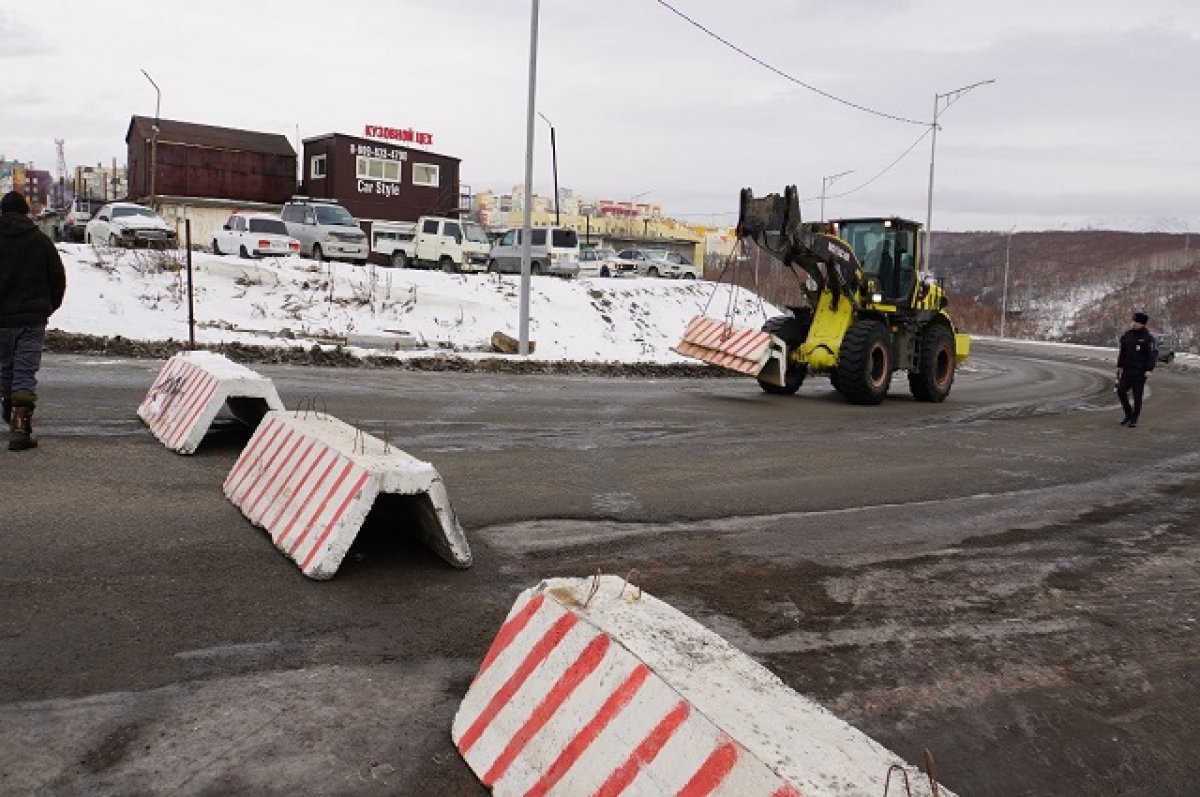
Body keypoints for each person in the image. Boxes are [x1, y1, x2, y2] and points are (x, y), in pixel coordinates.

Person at [0, 190, 67, 451]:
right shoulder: (41, 242)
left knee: (5, 367)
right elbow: (57, 279)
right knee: (24, 372)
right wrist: (48, 309)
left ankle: (10, 411)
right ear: (26, 212)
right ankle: (20, 428)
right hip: (31, 319)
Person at [1116, 310, 1156, 429]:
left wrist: (1149, 369)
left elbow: (1152, 355)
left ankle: (1134, 419)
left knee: (1137, 396)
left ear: (1142, 324)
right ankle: (1128, 413)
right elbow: (1122, 352)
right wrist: (1119, 366)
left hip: (1140, 372)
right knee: (1121, 391)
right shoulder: (1127, 336)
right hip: (1127, 370)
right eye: (1133, 321)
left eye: (1136, 322)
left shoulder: (1148, 338)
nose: (1133, 324)